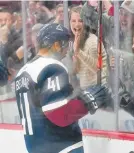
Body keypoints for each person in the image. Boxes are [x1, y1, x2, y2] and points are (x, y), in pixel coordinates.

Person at [14, 23, 109, 153]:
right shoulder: (52, 67)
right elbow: (60, 114)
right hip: (62, 146)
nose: (66, 51)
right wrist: (88, 101)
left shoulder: (22, 72)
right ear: (56, 45)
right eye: (66, 44)